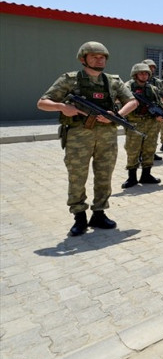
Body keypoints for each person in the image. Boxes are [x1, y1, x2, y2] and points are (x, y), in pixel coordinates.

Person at [37, 41, 138, 236]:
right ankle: (79, 217)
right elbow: (42, 103)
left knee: (104, 175)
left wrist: (117, 115)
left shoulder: (113, 81)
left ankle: (99, 213)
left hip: (107, 137)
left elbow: (132, 102)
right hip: (78, 138)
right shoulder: (70, 80)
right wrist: (62, 107)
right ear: (83, 59)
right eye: (94, 56)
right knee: (77, 177)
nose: (99, 60)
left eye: (102, 57)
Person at [122, 62, 163, 189]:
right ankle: (132, 177)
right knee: (133, 149)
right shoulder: (127, 87)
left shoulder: (153, 89)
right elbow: (120, 102)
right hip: (134, 122)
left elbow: (160, 104)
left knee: (149, 148)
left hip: (151, 123)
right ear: (135, 75)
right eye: (141, 73)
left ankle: (146, 175)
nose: (144, 75)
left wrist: (160, 114)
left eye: (146, 73)